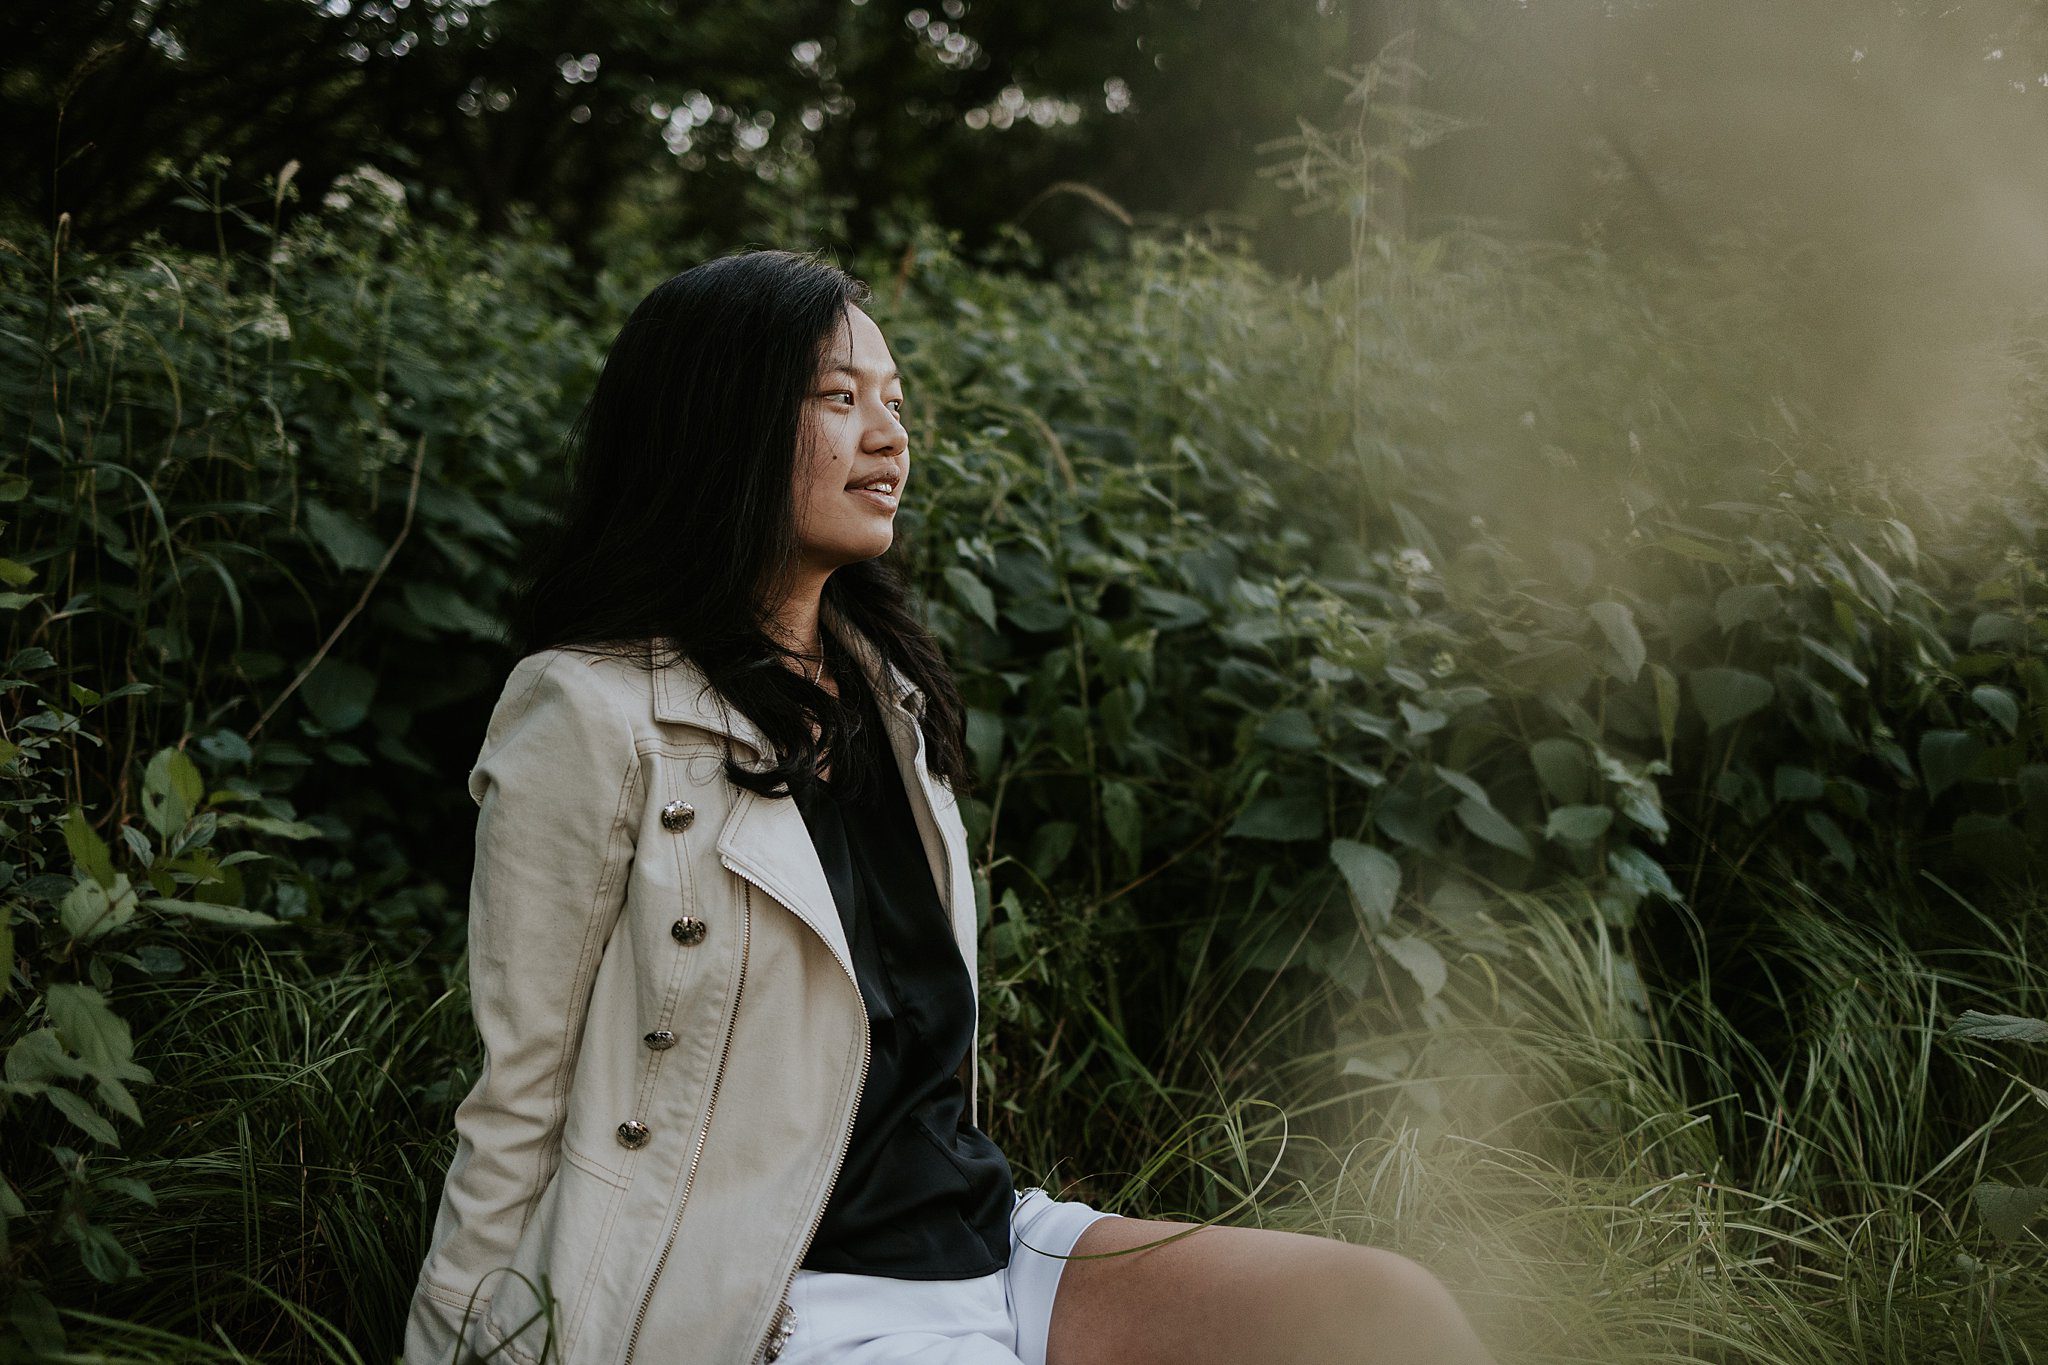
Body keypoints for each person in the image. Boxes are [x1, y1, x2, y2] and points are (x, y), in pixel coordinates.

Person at [401, 247, 1496, 1365]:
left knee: (1383, 1311)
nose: (889, 437)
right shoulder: (588, 711)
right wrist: (456, 1339)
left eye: (893, 403)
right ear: (717, 422)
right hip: (780, 1298)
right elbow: (516, 1098)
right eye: (839, 398)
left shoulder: (884, 690)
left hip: (989, 1247)